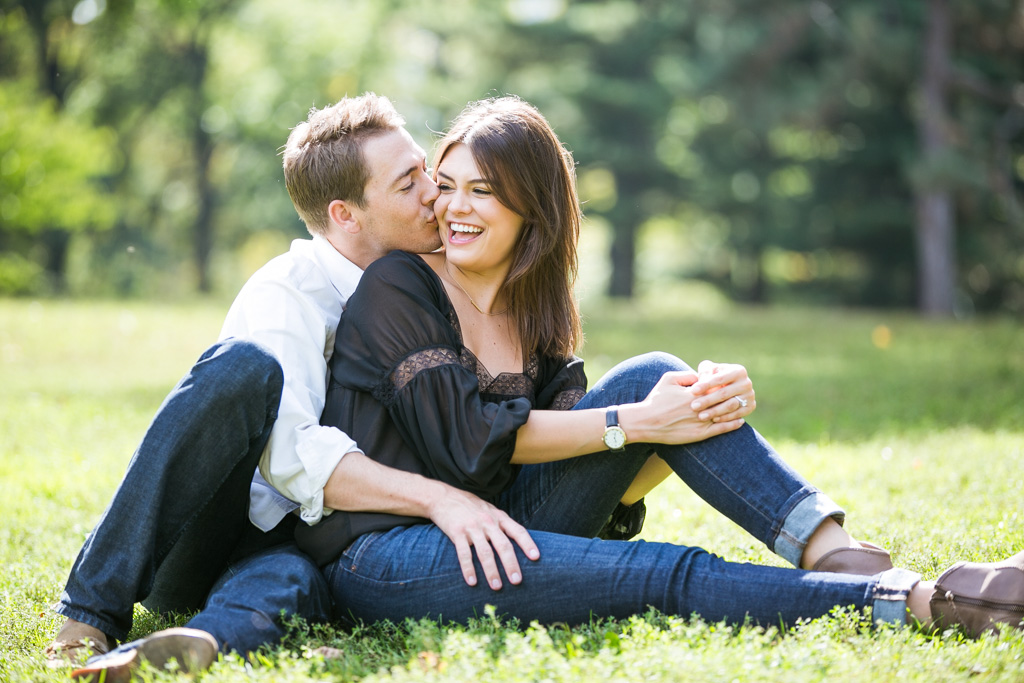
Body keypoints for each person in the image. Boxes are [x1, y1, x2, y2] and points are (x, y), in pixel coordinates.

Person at [300, 95, 1024, 637]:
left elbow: (600, 468)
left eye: (480, 190)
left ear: (533, 211)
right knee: (666, 573)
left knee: (659, 372)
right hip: (389, 554)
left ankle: (834, 551)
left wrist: (688, 412)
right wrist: (640, 421)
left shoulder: (535, 314)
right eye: (445, 183)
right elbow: (469, 441)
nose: (451, 207)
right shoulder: (401, 286)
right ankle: (915, 600)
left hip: (503, 519)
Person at [48, 93, 547, 680]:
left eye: (426, 172)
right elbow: (293, 458)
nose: (435, 196)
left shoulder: (428, 291)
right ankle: (86, 613)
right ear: (346, 215)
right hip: (214, 526)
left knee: (288, 583)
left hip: (298, 543)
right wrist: (438, 498)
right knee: (243, 366)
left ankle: (191, 647)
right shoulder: (288, 292)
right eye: (410, 183)